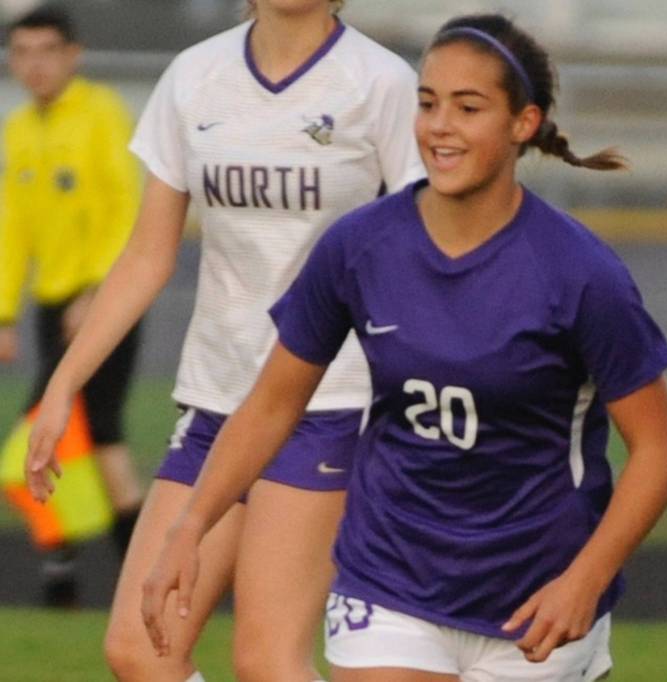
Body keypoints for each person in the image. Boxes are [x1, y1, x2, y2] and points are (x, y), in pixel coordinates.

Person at [141, 13, 667, 682]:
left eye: (468, 107)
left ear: (523, 124)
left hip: (534, 599)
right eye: (428, 104)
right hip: (389, 580)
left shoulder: (579, 272)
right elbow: (271, 406)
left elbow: (660, 451)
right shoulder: (359, 246)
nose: (439, 126)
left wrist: (586, 578)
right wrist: (189, 526)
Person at [24, 0, 422, 680]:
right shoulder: (195, 75)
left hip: (325, 404)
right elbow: (148, 256)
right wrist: (63, 383)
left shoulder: (379, 81)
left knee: (266, 661)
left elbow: (425, 247)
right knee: (139, 651)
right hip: (216, 401)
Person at [0, 5, 143, 607]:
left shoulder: (101, 114)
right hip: (51, 307)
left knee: (39, 441)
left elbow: (127, 207)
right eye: (22, 52)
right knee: (99, 440)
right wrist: (4, 314)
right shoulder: (20, 129)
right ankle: (133, 571)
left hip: (102, 304)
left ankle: (65, 568)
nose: (33, 64)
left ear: (73, 54)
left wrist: (96, 293)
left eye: (46, 50)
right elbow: (12, 231)